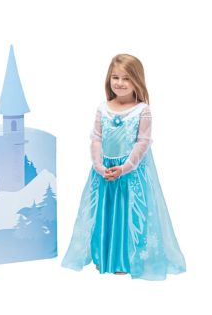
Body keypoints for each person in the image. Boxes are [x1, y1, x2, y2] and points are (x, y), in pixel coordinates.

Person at [61, 54, 186, 280]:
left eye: (126, 78)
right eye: (115, 77)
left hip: (130, 174)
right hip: (105, 173)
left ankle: (126, 259)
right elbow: (96, 138)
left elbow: (143, 142)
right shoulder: (103, 108)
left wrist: (125, 168)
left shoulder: (142, 110)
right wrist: (99, 166)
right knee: (104, 212)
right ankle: (105, 256)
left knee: (128, 215)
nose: (119, 83)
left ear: (137, 80)